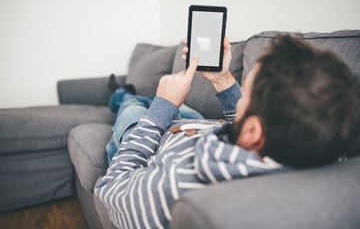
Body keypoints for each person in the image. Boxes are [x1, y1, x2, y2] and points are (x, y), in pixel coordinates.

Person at [94, 35, 360, 229]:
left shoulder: (176, 187)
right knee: (156, 99)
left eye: (246, 93)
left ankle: (120, 95)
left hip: (151, 138)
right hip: (197, 126)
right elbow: (253, 125)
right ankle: (134, 96)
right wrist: (223, 80)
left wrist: (161, 111)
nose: (240, 97)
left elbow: (108, 191)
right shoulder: (325, 144)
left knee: (133, 108)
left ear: (253, 131)